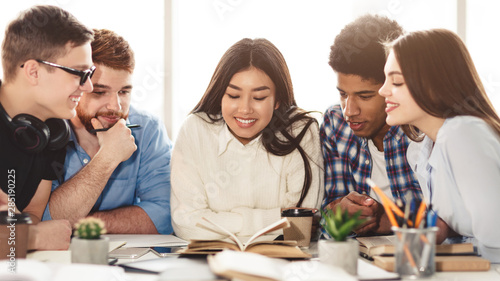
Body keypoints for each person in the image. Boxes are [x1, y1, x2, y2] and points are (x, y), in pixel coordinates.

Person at [171, 38, 323, 240]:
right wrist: (276, 219)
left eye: (259, 98)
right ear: (220, 96)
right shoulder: (194, 129)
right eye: (233, 95)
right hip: (210, 263)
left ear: (277, 100)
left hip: (284, 264)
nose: (245, 109)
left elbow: (300, 227)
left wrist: (218, 223)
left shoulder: (301, 131)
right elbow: (186, 224)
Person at [379, 28, 500, 262]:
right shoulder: (420, 148)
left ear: (433, 85)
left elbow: (497, 244)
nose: (383, 90)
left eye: (396, 81)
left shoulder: (463, 133)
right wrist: (443, 227)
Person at [40, 29, 173, 234]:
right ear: (75, 86)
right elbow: (43, 220)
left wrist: (87, 223)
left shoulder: (148, 130)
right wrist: (107, 158)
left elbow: (165, 214)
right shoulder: (45, 130)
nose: (116, 106)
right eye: (100, 92)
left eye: (124, 92)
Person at [0, 5, 94, 250]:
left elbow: (32, 211)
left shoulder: (53, 132)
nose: (89, 87)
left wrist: (16, 231)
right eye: (79, 74)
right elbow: (30, 230)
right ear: (33, 71)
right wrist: (32, 238)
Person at [321, 14, 421, 236]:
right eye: (343, 94)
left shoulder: (422, 127)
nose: (349, 110)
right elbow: (326, 213)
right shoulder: (335, 123)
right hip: (362, 260)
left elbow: (450, 217)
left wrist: (386, 220)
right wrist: (337, 211)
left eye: (364, 96)